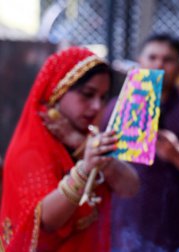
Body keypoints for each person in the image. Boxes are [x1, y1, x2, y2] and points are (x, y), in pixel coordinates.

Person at [0, 47, 140, 251]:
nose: (96, 107)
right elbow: (47, 220)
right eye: (88, 95)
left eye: (102, 97)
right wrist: (84, 169)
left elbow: (130, 187)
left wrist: (80, 144)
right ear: (57, 90)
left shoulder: (85, 136)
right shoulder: (30, 149)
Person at [103, 33, 179, 252]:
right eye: (152, 57)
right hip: (123, 229)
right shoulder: (119, 107)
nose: (159, 64)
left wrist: (176, 153)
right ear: (140, 62)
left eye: (168, 59)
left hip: (172, 233)